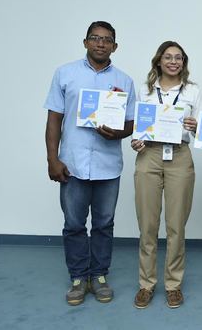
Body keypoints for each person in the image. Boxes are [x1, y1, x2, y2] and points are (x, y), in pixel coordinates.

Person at [44, 21, 136, 306]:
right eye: (95, 38)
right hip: (72, 164)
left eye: (107, 40)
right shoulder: (65, 74)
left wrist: (118, 132)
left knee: (104, 224)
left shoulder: (126, 81)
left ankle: (98, 275)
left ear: (115, 46)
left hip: (109, 166)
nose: (100, 43)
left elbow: (132, 123)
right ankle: (77, 277)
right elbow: (54, 120)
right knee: (73, 224)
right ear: (85, 42)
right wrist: (52, 158)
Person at [131, 41, 201, 309]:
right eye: (168, 57)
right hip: (149, 155)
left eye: (179, 58)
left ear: (184, 62)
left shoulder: (193, 91)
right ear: (158, 61)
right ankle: (146, 284)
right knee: (147, 225)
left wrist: (196, 126)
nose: (173, 62)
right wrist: (137, 140)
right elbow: (139, 127)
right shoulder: (146, 90)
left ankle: (173, 285)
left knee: (176, 226)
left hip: (180, 156)